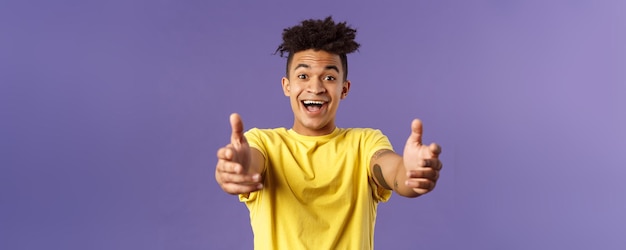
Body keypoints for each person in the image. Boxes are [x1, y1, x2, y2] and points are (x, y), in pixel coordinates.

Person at [215, 16, 443, 249]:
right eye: (303, 76)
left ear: (344, 89)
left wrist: (412, 173)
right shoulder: (263, 143)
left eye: (329, 77)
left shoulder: (364, 143)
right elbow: (251, 164)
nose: (315, 88)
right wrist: (238, 170)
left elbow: (393, 172)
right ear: (287, 86)